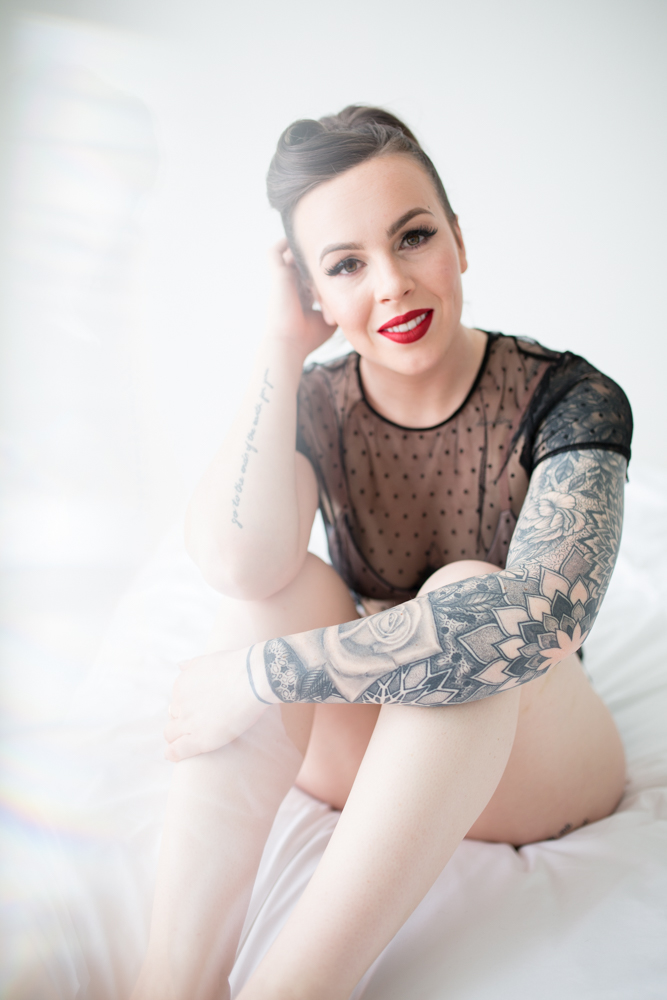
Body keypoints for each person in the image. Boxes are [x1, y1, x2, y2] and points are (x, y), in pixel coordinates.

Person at [130, 106, 631, 1000]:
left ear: (458, 241)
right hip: (373, 765)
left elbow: (537, 623)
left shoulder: (569, 397)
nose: (392, 284)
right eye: (346, 265)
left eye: (413, 237)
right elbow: (240, 564)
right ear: (313, 292)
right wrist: (281, 350)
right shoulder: (319, 401)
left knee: (470, 599)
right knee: (275, 594)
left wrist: (262, 674)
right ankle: (168, 986)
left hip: (533, 763)